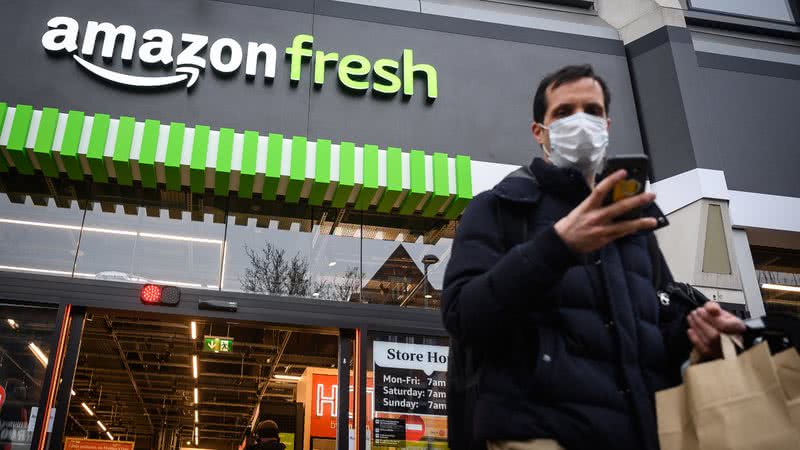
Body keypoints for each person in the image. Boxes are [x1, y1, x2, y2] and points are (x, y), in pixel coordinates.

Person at [441, 65, 745, 450]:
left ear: (607, 124)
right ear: (540, 132)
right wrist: (557, 245)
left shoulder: (633, 226)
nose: (580, 121)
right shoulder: (499, 209)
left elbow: (653, 338)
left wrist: (700, 335)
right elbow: (462, 314)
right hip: (540, 435)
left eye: (592, 110)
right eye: (564, 112)